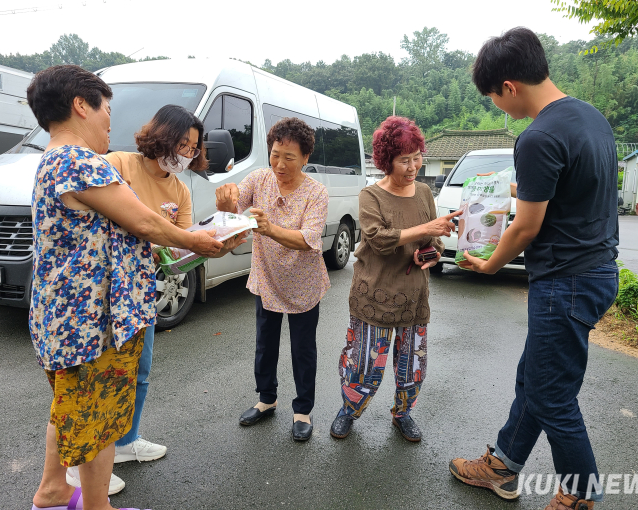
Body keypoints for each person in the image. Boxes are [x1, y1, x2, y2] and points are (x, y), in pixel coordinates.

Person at [27, 65, 225, 510]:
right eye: (106, 109)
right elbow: (142, 220)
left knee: (71, 403)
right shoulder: (78, 160)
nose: (109, 121)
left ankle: (53, 488)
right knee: (99, 416)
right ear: (81, 105)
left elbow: (125, 233)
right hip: (96, 323)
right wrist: (195, 240)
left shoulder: (53, 160)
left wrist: (187, 243)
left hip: (67, 318)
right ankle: (98, 507)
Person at [448, 28, 619, 510]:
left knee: (552, 397)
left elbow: (525, 227)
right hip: (596, 270)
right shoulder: (591, 118)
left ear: (509, 86)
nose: (498, 108)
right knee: (536, 378)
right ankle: (502, 463)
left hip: (565, 280)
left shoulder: (538, 136)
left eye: (493, 99)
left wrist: (488, 265)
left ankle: (581, 495)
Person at [65, 105, 247, 495]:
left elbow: (179, 253)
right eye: (181, 142)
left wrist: (215, 241)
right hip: (100, 294)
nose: (186, 152)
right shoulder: (116, 164)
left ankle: (126, 442)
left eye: (193, 147)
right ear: (161, 135)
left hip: (141, 294)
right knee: (98, 380)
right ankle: (86, 463)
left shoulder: (179, 189)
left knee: (139, 372)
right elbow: (129, 226)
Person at [328, 116, 460, 442]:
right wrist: (428, 229)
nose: (413, 166)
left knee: (412, 364)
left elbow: (435, 243)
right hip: (374, 295)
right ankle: (348, 410)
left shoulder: (426, 193)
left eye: (417, 157)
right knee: (364, 365)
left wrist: (428, 253)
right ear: (387, 160)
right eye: (405, 160)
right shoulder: (371, 195)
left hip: (413, 297)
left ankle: (402, 414)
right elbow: (379, 239)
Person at [215, 117, 330, 442]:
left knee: (303, 350)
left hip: (303, 284)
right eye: (275, 154)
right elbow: (233, 216)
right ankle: (266, 399)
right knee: (265, 344)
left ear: (305, 158)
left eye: (289, 157)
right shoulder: (258, 179)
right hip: (266, 277)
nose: (279, 164)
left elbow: (309, 238)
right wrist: (226, 206)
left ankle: (302, 411)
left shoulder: (316, 192)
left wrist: (269, 229)